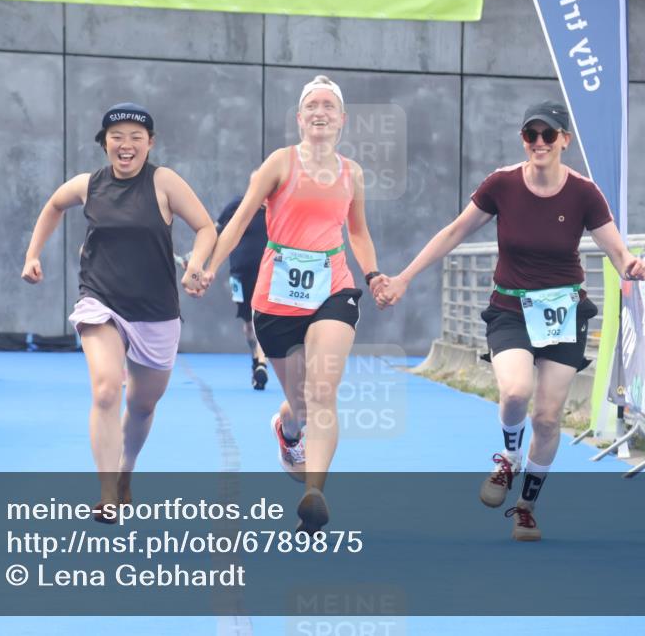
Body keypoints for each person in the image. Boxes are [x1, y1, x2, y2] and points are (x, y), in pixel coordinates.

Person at [377, 101, 645, 542]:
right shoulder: (501, 184)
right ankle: (507, 456)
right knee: (516, 390)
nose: (538, 143)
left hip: (563, 311)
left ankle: (526, 506)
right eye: (530, 135)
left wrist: (631, 266)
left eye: (548, 134)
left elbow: (617, 250)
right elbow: (453, 232)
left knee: (547, 418)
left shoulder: (584, 193)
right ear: (523, 139)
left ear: (564, 140)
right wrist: (405, 277)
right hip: (511, 308)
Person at [202, 76, 387, 533]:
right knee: (302, 405)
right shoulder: (279, 164)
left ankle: (314, 493)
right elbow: (241, 217)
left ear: (342, 119)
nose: (320, 111)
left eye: (329, 105)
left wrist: (373, 274)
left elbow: (358, 232)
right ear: (300, 118)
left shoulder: (352, 173)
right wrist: (207, 266)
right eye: (312, 105)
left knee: (324, 392)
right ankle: (287, 429)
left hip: (334, 286)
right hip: (277, 295)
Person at [21, 102, 216, 520]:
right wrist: (32, 254)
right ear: (104, 142)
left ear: (150, 143)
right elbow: (53, 205)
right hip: (101, 298)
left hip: (156, 309)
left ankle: (126, 470)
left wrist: (197, 263)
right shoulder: (88, 185)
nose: (125, 145)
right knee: (107, 387)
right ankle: (108, 492)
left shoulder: (163, 182)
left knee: (143, 404)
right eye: (117, 137)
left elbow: (205, 227)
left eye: (135, 137)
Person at [216, 194, 269, 390]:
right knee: (248, 323)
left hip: (268, 274)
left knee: (262, 318)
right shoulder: (236, 206)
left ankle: (262, 363)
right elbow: (214, 232)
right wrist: (198, 259)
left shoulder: (276, 209)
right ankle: (255, 359)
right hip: (239, 275)